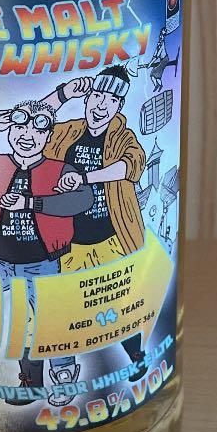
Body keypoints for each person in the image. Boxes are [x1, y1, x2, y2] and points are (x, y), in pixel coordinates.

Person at [0, 101, 93, 402]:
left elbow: (83, 200)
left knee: (49, 322)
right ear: (10, 129)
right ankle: (26, 382)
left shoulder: (59, 170)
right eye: (20, 126)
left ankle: (63, 377)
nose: (28, 135)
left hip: (43, 263)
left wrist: (30, 203)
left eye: (38, 129)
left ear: (48, 136)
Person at [43, 66, 149, 376]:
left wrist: (84, 178)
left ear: (119, 106)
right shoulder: (69, 131)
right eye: (97, 96)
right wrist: (63, 94)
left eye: (111, 100)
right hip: (69, 243)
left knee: (119, 303)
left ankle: (137, 357)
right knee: (63, 307)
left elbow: (131, 165)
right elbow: (36, 123)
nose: (102, 105)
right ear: (87, 98)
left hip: (110, 238)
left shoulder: (122, 137)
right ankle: (65, 374)